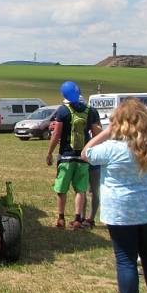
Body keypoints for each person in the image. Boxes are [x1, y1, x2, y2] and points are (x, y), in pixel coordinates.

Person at [82, 99, 147, 293]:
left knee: (126, 259)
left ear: (118, 124)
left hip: (122, 211)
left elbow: (86, 153)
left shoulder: (113, 149)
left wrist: (106, 132)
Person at [46, 81, 101, 229]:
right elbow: (97, 135)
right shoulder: (91, 111)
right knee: (80, 189)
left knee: (61, 189)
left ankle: (61, 218)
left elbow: (56, 135)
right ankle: (78, 219)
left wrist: (50, 152)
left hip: (66, 156)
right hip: (83, 157)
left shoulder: (63, 111)